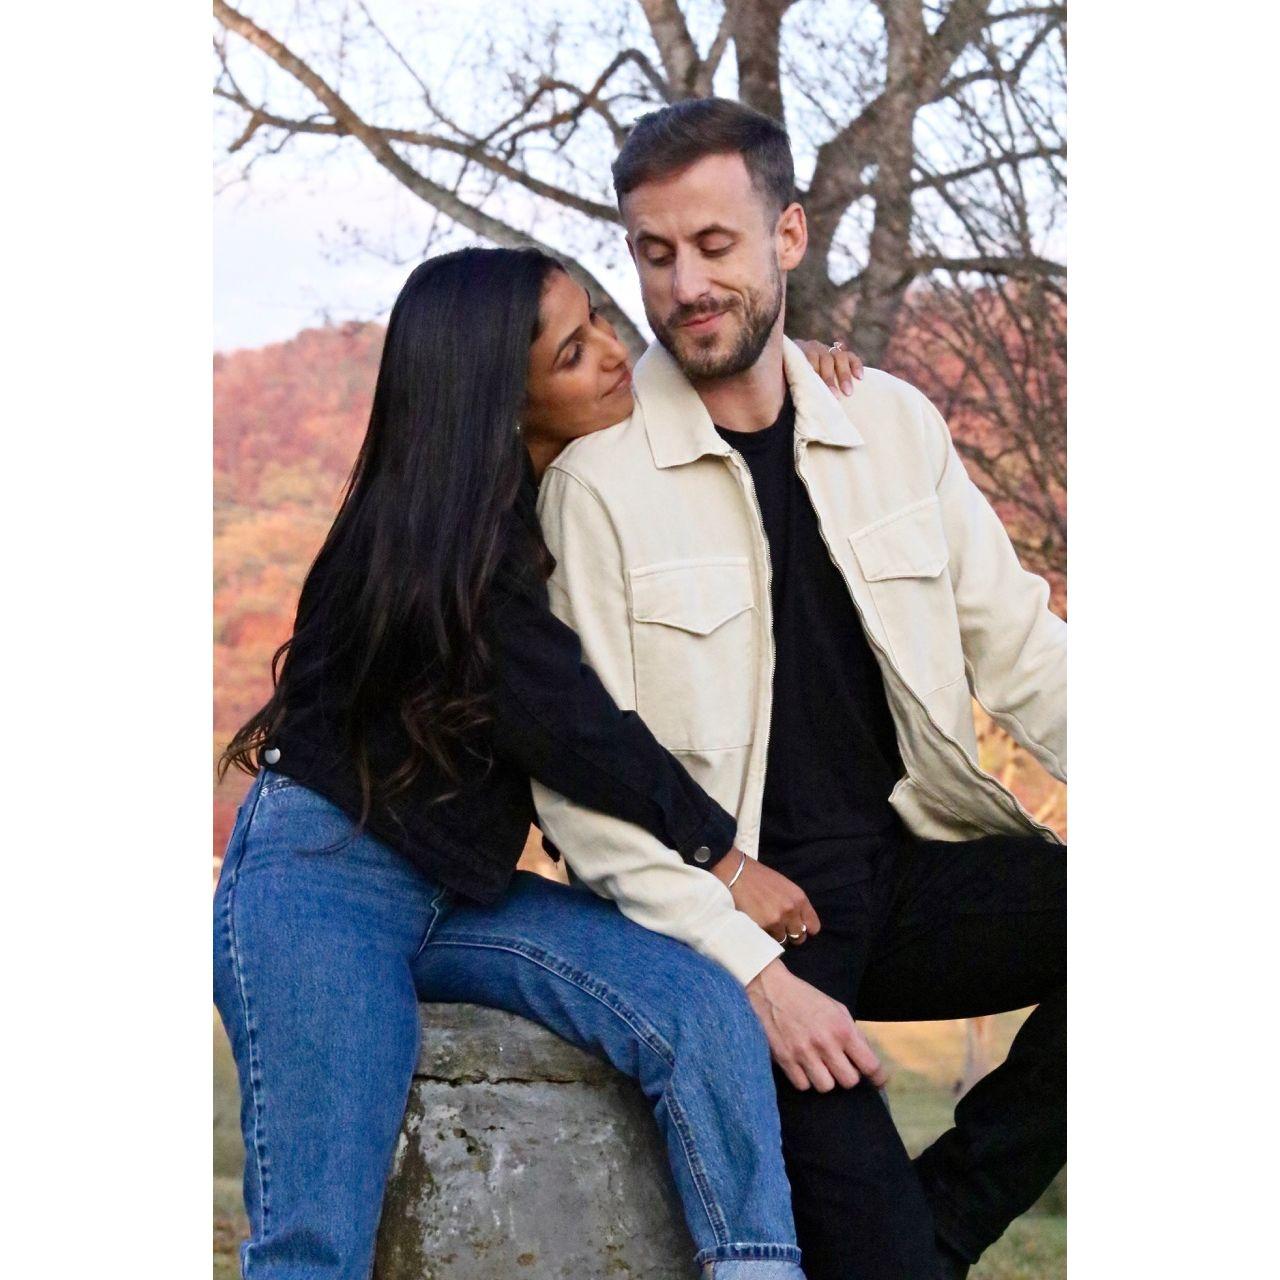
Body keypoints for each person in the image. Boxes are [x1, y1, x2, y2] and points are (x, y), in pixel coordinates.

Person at [213, 243, 871, 1280]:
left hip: (468, 892)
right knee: (315, 1241)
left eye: (598, 320)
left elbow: (694, 388)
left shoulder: (551, 487)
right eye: (573, 353)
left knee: (700, 1006)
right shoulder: (426, 546)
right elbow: (569, 720)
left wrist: (796, 371)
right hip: (325, 881)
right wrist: (722, 857)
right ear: (502, 404)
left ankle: (756, 1267)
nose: (612, 353)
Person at [532, 98, 1067, 1280]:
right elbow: (584, 794)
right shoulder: (597, 485)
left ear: (787, 235)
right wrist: (748, 972)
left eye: (713, 244)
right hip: (745, 912)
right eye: (654, 252)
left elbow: (1023, 648)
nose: (683, 285)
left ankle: (940, 1218)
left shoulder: (892, 424)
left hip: (911, 861)